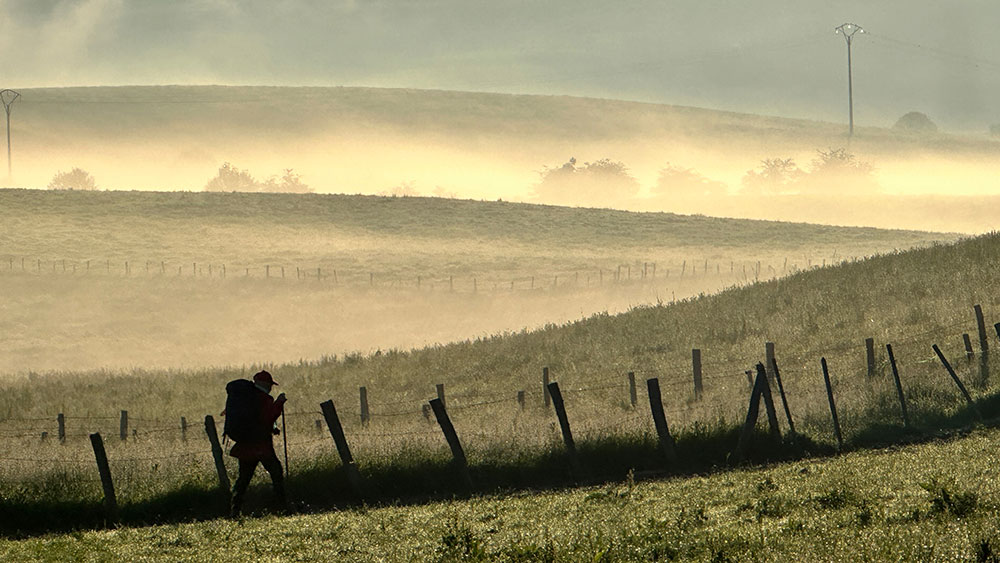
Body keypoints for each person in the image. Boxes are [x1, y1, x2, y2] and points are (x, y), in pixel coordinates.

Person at [227, 369, 287, 517]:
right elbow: (268, 417)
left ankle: (235, 509)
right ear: (265, 384)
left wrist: (273, 428)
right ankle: (282, 506)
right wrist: (279, 402)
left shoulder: (246, 398)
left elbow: (258, 419)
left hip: (245, 444)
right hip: (261, 445)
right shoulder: (264, 399)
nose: (271, 387)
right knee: (276, 472)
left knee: (244, 478)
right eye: (270, 385)